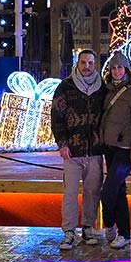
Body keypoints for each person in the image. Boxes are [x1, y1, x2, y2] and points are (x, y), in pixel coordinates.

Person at [50, 49, 105, 251]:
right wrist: (62, 143)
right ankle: (69, 232)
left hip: (96, 150)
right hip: (72, 150)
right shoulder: (65, 86)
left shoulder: (102, 88)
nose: (87, 66)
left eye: (90, 63)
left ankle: (88, 228)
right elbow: (56, 116)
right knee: (70, 192)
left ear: (95, 65)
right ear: (77, 64)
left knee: (92, 191)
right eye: (83, 62)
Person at [99, 51, 131, 250]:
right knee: (119, 191)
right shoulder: (108, 90)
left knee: (108, 191)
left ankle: (110, 225)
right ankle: (124, 233)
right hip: (110, 148)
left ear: (126, 69)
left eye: (120, 67)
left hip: (125, 150)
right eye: (113, 67)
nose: (117, 71)